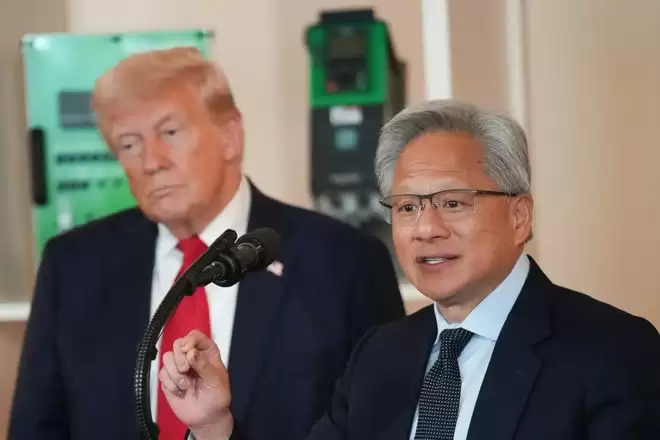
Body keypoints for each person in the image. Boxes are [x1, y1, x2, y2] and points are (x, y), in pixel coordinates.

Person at [160, 99, 660, 440]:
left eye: (452, 202)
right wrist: (214, 427)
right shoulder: (380, 355)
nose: (426, 229)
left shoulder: (613, 352)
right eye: (407, 207)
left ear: (519, 216)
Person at [8, 47, 405, 440]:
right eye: (129, 144)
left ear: (230, 135)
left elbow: (383, 425)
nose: (151, 161)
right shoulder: (73, 266)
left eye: (169, 133)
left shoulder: (345, 262)